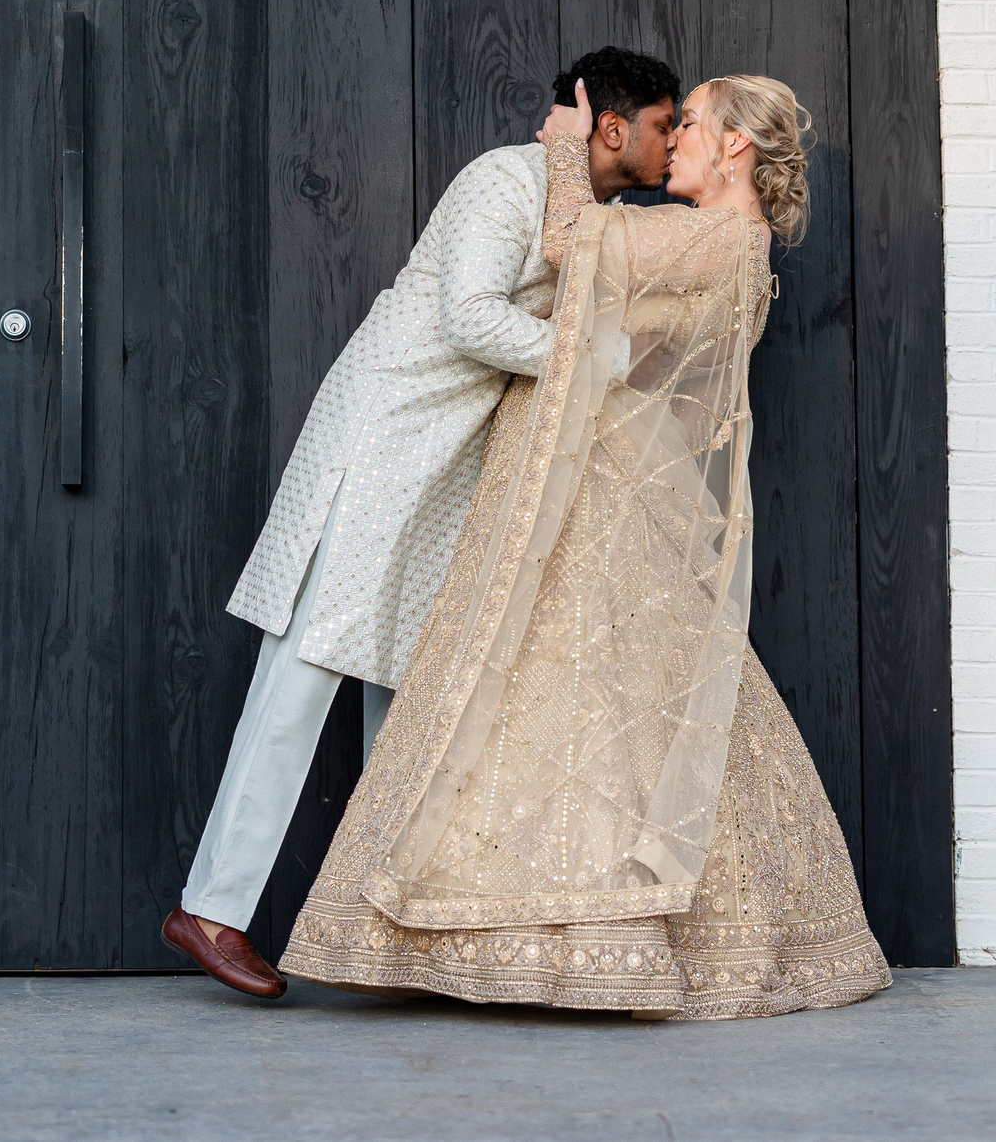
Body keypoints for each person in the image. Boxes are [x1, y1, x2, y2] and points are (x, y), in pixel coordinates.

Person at [278, 75, 890, 1019]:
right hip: (604, 483)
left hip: (604, 488)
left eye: (689, 122)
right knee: (592, 697)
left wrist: (566, 144)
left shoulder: (717, 237)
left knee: (574, 697)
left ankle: (580, 935)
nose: (674, 137)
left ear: (735, 147)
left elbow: (570, 247)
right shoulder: (727, 244)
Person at [163, 48, 685, 998]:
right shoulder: (502, 178)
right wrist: (602, 366)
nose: (672, 138)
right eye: (663, 122)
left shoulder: (591, 212)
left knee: (410, 695)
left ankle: (381, 935)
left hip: (444, 471)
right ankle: (211, 908)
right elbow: (472, 320)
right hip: (381, 443)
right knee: (305, 673)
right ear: (614, 127)